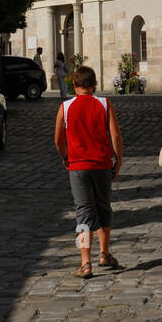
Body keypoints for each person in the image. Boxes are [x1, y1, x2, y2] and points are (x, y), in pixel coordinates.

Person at [54, 65, 123, 278]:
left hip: (78, 166)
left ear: (74, 85)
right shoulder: (104, 103)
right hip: (101, 164)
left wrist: (65, 156)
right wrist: (118, 160)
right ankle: (104, 253)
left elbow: (57, 139)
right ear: (94, 85)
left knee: (83, 213)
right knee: (104, 207)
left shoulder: (65, 107)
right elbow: (116, 136)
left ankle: (85, 262)